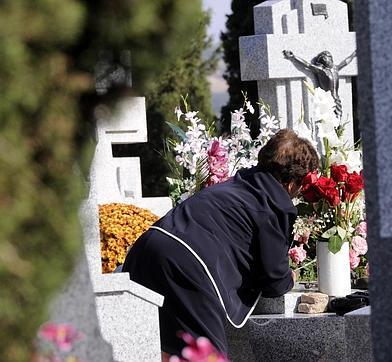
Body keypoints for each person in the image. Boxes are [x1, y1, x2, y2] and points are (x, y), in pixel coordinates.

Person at [122, 129, 320, 359]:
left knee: (164, 351)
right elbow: (274, 281)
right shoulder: (274, 205)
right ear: (291, 182)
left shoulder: (238, 184)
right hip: (187, 265)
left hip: (145, 249)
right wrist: (290, 277)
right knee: (206, 356)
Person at [283, 49, 356, 119]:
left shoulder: (335, 68)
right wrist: (293, 57)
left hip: (336, 99)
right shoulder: (321, 70)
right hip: (327, 100)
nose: (328, 60)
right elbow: (307, 65)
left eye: (329, 57)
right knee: (329, 120)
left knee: (339, 119)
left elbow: (346, 61)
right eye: (325, 58)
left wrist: (354, 53)